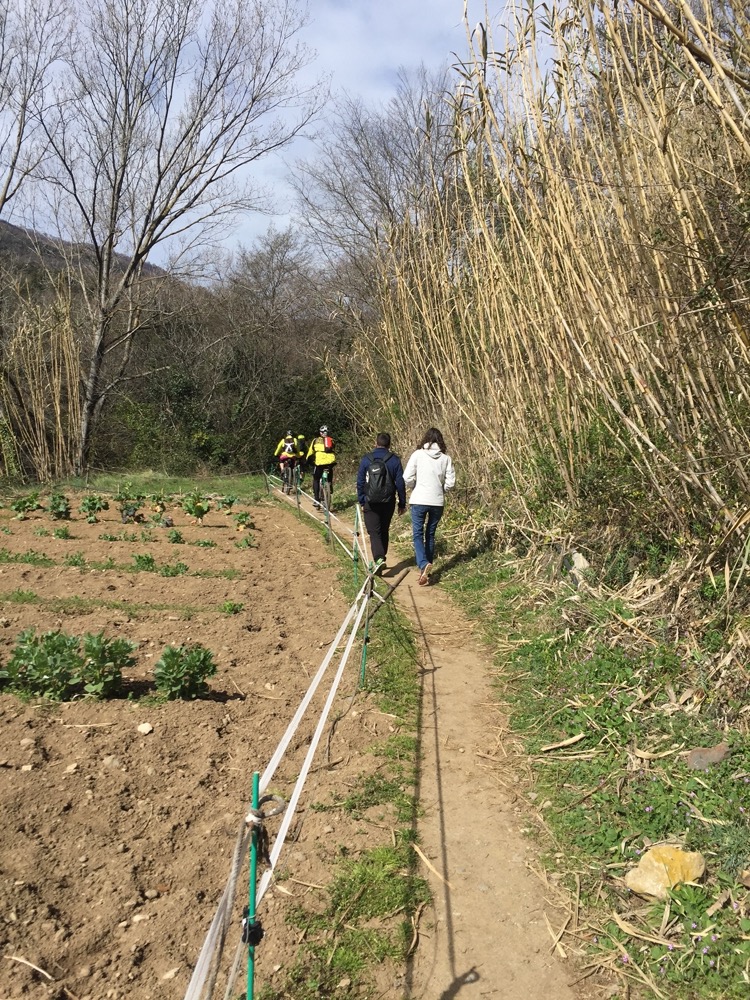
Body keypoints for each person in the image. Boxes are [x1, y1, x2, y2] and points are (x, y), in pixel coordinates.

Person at [403, 427, 455, 585]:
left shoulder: (418, 455)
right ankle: (425, 572)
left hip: (419, 499)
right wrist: (441, 489)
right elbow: (451, 483)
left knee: (417, 534)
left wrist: (413, 486)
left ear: (425, 439)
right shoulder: (446, 458)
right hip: (437, 501)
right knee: (430, 534)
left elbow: (406, 477)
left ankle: (423, 564)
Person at [356, 432, 406, 573]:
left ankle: (379, 558)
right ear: (389, 445)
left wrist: (362, 499)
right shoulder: (394, 460)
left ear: (375, 443)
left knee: (374, 531)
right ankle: (381, 558)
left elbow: (360, 482)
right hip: (388, 501)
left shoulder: (366, 459)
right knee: (384, 530)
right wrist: (402, 503)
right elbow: (400, 483)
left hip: (370, 502)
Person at [306, 424, 336, 509]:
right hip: (330, 462)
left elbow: (310, 452)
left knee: (316, 479)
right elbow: (334, 450)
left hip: (319, 463)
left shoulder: (315, 440)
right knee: (330, 471)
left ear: (320, 433)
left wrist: (307, 460)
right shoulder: (332, 440)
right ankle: (329, 485)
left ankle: (316, 500)